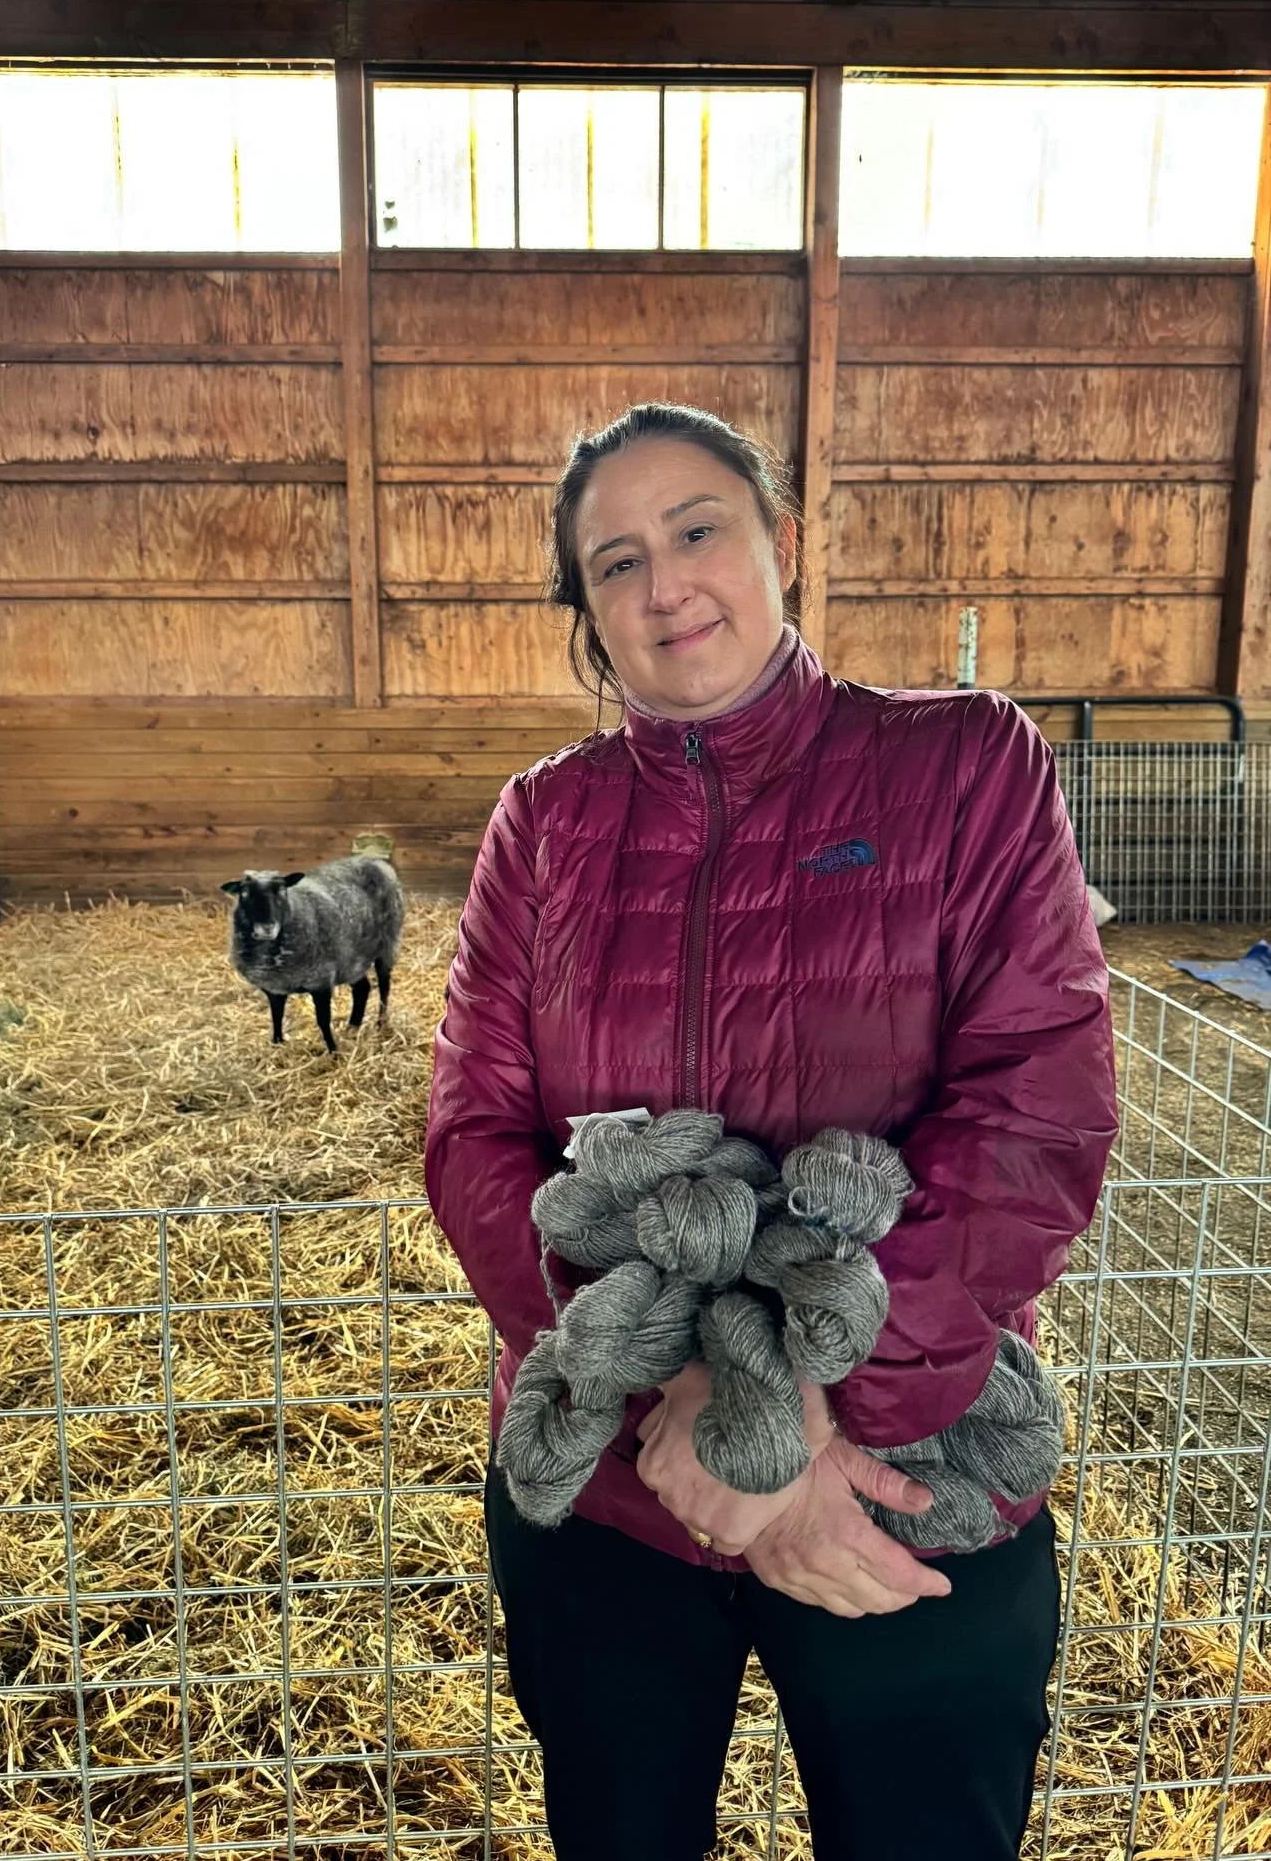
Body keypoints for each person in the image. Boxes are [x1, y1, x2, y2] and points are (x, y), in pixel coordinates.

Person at [424, 402, 1117, 1861]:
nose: (664, 583)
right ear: (589, 614)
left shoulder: (963, 771)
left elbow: (1037, 1114)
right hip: (618, 1480)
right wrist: (681, 1393)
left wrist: (806, 1428)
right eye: (615, 562)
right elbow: (475, 1140)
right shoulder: (541, 826)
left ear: (781, 544)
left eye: (697, 531)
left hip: (896, 1479)